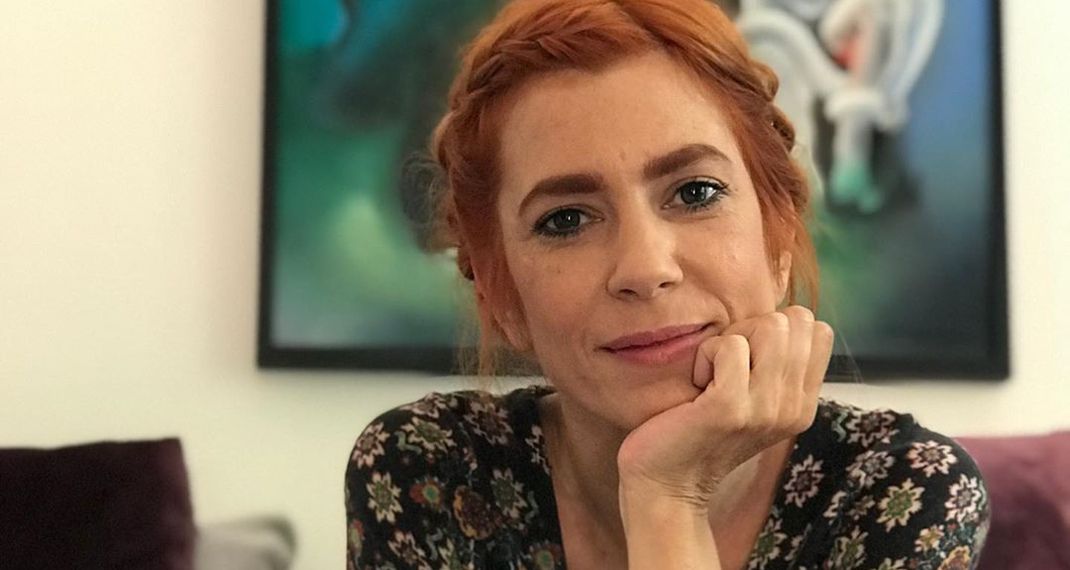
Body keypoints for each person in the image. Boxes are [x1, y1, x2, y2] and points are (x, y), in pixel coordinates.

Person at [344, 0, 990, 568]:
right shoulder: (428, 469)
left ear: (779, 239)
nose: (645, 268)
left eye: (695, 192)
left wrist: (668, 496)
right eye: (565, 220)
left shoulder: (898, 490)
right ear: (500, 295)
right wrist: (669, 494)